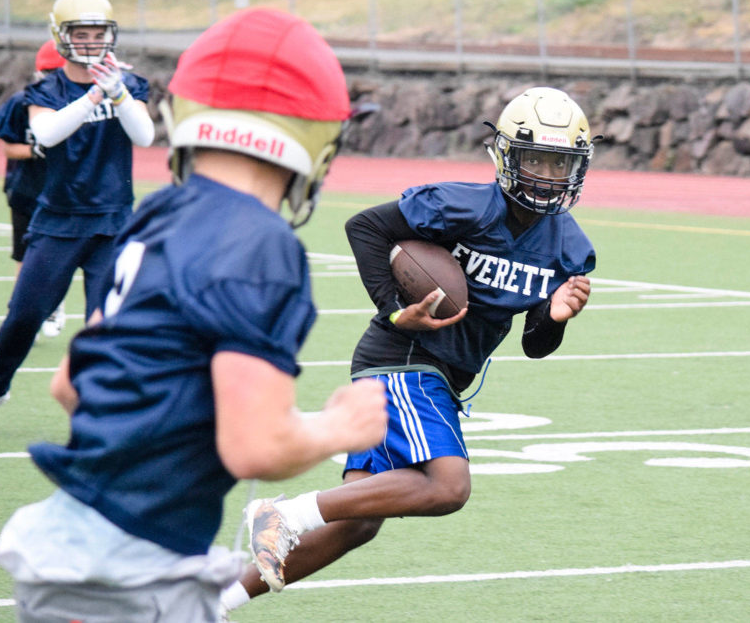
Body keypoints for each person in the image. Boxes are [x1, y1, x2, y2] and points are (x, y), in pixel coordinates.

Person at [0, 7, 388, 622]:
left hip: (61, 544)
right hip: (135, 571)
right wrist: (341, 428)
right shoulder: (261, 245)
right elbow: (255, 446)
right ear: (313, 139)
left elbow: (71, 385)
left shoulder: (154, 215)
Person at [222, 86, 596, 614]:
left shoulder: (569, 246)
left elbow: (536, 344)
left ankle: (215, 600)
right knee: (447, 486)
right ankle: (285, 514)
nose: (546, 175)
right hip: (404, 355)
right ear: (507, 156)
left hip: (441, 372)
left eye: (560, 164)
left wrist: (555, 317)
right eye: (535, 159)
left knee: (355, 523)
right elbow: (366, 227)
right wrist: (396, 308)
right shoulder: (463, 205)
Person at [0, 0, 155, 433]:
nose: (90, 41)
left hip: (113, 223)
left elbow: (144, 137)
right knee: (25, 315)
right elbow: (45, 135)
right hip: (60, 220)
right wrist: (93, 98)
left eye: (98, 32)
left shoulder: (127, 84)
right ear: (62, 35)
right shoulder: (47, 88)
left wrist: (117, 93)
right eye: (81, 32)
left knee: (108, 327)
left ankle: (106, 411)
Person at [0, 40, 67, 339]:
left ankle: (51, 306)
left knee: (58, 257)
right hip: (25, 191)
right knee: (23, 257)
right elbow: (9, 148)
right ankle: (20, 313)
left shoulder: (77, 103)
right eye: (49, 72)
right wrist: (38, 149)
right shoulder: (21, 102)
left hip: (63, 195)